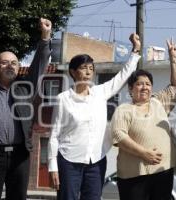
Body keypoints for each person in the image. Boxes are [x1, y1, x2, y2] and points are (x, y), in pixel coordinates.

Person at [0, 18, 52, 200]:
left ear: (19, 67)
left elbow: (39, 65)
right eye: (5, 62)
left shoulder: (25, 87)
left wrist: (45, 37)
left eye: (14, 63)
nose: (10, 66)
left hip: (20, 155)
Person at [48, 33, 141, 200]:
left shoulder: (100, 93)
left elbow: (122, 76)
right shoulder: (63, 99)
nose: (88, 72)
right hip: (69, 161)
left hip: (96, 161)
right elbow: (54, 135)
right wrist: (52, 166)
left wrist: (135, 52)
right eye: (84, 68)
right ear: (73, 72)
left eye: (91, 68)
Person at [110, 38, 176, 200]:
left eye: (148, 84)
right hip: (133, 178)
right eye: (139, 84)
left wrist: (174, 59)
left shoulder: (159, 102)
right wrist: (144, 153)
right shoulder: (124, 109)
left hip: (163, 173)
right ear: (130, 89)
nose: (144, 87)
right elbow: (119, 136)